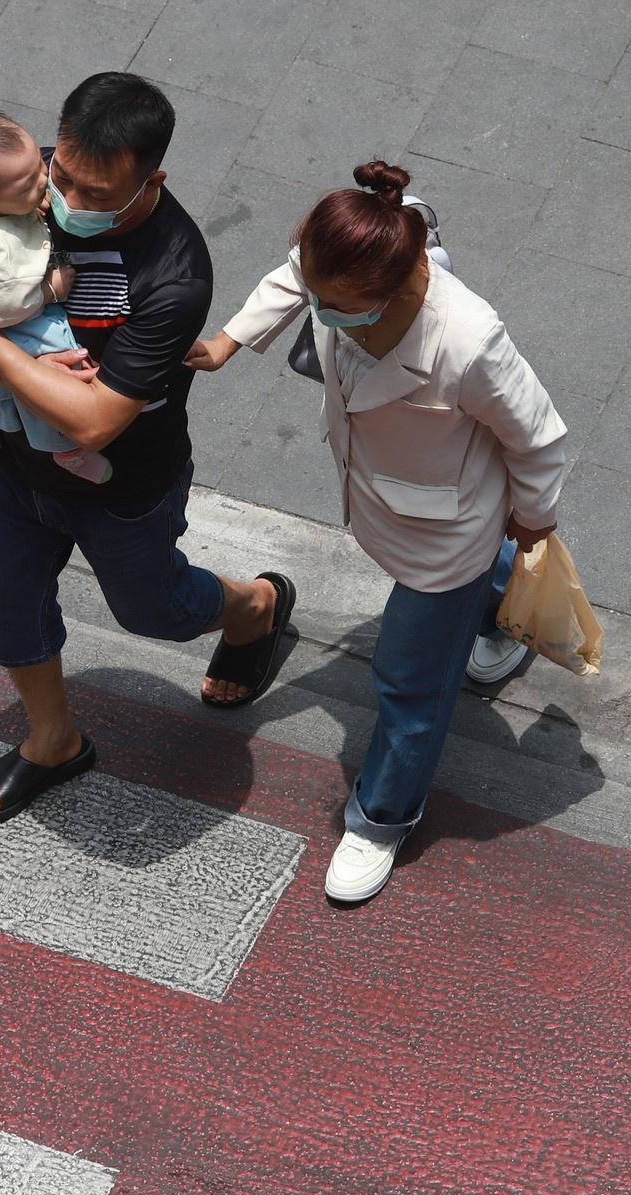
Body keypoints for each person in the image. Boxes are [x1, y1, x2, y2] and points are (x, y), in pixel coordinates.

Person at [0, 71, 296, 829]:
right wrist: (16, 367)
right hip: (10, 462)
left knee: (155, 611)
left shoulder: (175, 275)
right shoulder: (26, 179)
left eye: (96, 196)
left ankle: (256, 605)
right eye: (65, 180)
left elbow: (91, 423)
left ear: (151, 179)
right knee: (8, 609)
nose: (69, 206)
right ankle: (54, 740)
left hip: (122, 485)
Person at [187, 161, 567, 904]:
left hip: (443, 536)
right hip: (390, 502)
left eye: (335, 304)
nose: (319, 310)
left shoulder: (468, 339)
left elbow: (539, 439)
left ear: (396, 287)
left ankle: (382, 816)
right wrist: (230, 340)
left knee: (408, 679)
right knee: (450, 622)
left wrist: (535, 520)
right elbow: (298, 273)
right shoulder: (357, 246)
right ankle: (498, 624)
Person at [0, 105, 108, 483]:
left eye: (39, 171)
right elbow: (8, 308)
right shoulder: (2, 253)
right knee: (53, 353)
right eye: (28, 186)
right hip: (3, 307)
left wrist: (25, 201)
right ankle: (65, 447)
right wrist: (49, 290)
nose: (44, 182)